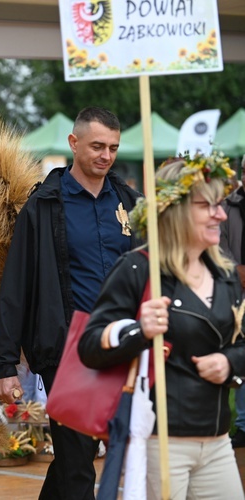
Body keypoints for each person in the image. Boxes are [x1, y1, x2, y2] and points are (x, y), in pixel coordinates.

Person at [0, 106, 142, 499]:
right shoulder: (43, 206)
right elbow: (15, 286)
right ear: (74, 143)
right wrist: (4, 364)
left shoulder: (130, 203)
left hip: (123, 343)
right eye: (96, 146)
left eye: (112, 147)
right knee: (77, 460)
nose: (105, 155)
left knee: (81, 452)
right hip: (67, 349)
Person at [79, 154, 245, 499]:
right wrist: (140, 331)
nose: (221, 214)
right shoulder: (138, 269)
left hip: (217, 442)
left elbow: (241, 344)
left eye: (220, 205)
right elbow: (89, 346)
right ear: (178, 211)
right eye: (208, 206)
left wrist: (230, 363)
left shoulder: (225, 273)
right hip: (159, 443)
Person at [218, 155, 245, 448]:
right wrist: (235, 270)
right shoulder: (227, 206)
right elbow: (221, 249)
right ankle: (242, 425)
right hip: (236, 293)